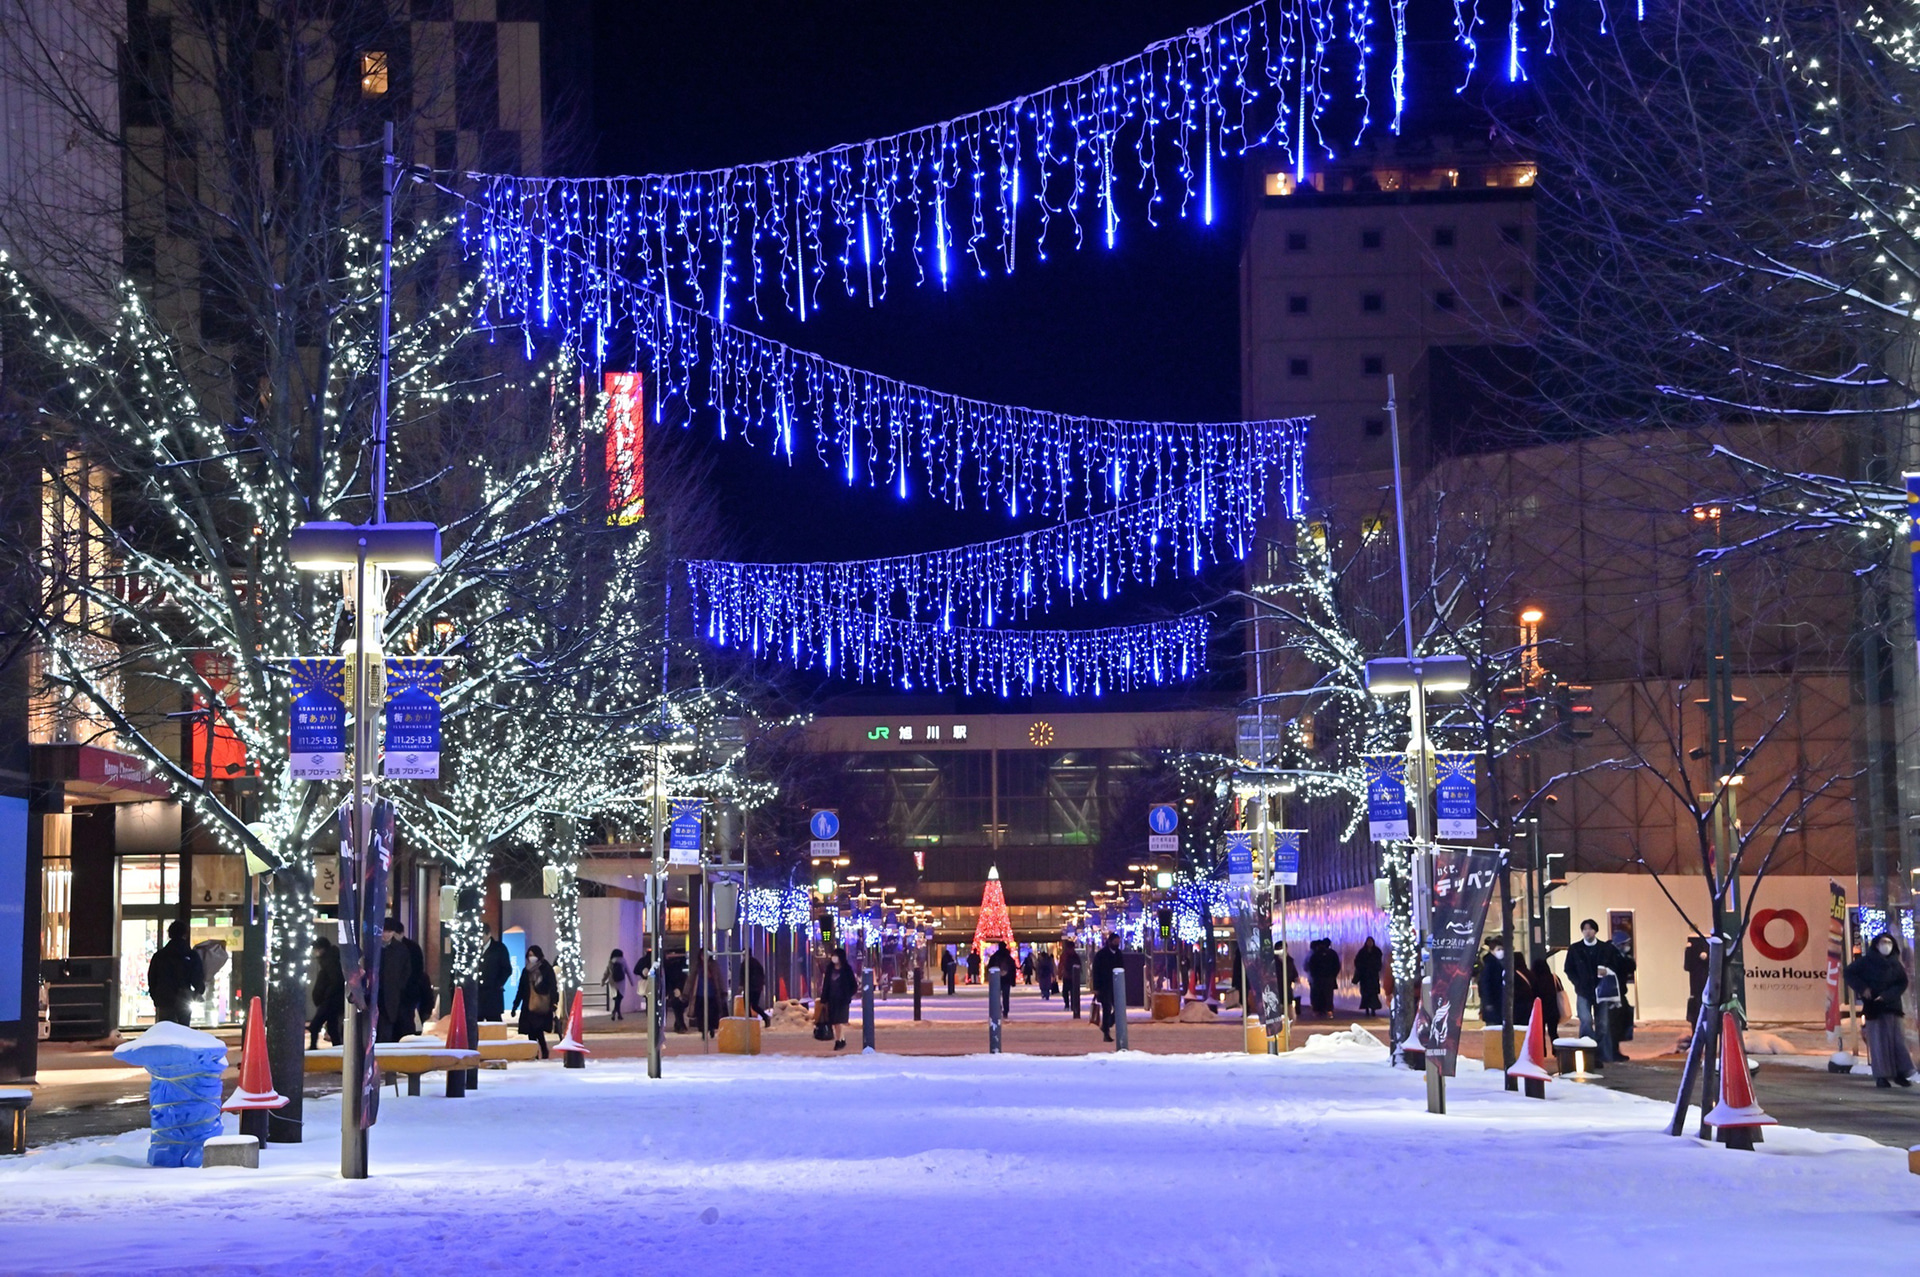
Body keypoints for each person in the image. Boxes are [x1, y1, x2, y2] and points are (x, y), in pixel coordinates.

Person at [1846, 931, 1916, 1088]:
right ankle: (1882, 1075)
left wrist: (1887, 996)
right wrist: (1863, 988)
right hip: (1874, 1007)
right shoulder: (1866, 962)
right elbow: (1849, 973)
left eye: (1889, 943)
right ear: (1876, 945)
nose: (1887, 946)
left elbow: (1902, 983)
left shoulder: (1895, 964)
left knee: (1898, 1041)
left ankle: (1901, 1072)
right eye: (1883, 943)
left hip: (1892, 1006)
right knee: (1879, 1042)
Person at [1560, 918, 1627, 1041]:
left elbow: (1616, 964)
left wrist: (1607, 971)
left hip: (1602, 989)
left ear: (1595, 931)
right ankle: (1587, 1045)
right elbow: (1568, 968)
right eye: (1585, 929)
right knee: (1585, 1019)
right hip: (1583, 990)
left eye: (1590, 929)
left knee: (1602, 1022)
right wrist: (1577, 982)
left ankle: (1600, 1049)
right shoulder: (1575, 949)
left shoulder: (1605, 948)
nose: (1587, 932)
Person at [146, 919, 206, 1027]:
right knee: (183, 1029)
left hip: (164, 997)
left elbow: (152, 978)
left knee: (166, 1028)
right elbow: (197, 976)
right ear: (185, 934)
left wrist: (155, 996)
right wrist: (198, 991)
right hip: (184, 997)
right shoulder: (191, 955)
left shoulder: (160, 955)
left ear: (169, 934)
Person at [376, 916, 421, 1042]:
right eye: (384, 931)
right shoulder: (373, 948)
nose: (386, 935)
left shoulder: (400, 949)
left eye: (389, 932)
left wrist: (399, 986)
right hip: (376, 993)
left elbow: (407, 971)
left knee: (388, 1028)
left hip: (392, 994)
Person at [512, 944, 558, 1058]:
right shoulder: (526, 970)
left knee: (537, 1029)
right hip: (528, 1004)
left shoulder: (546, 968)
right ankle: (535, 1053)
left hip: (542, 1004)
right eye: (529, 955)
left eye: (533, 955)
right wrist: (515, 1005)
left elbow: (552, 986)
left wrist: (553, 1002)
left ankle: (542, 1050)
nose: (531, 957)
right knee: (531, 1030)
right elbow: (521, 989)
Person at [307, 935, 345, 1048]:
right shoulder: (331, 959)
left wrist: (326, 995)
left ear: (322, 949)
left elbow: (335, 980)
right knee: (332, 1026)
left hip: (330, 1001)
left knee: (315, 1025)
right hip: (333, 1000)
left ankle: (313, 1047)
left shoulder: (329, 961)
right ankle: (337, 1048)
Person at [821, 946, 858, 1051]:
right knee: (834, 1021)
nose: (834, 958)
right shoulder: (830, 969)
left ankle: (839, 1040)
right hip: (831, 999)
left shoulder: (846, 970)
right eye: (833, 956)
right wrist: (824, 998)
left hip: (842, 1000)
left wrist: (847, 995)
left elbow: (853, 985)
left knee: (839, 1021)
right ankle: (841, 1039)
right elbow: (826, 984)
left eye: (836, 956)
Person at [1091, 933, 1123, 1042]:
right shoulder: (1101, 955)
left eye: (1118, 942)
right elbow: (1096, 971)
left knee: (1119, 1008)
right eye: (1115, 942)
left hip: (1116, 985)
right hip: (1104, 986)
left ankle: (1107, 1024)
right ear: (1110, 941)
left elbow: (1122, 968)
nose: (1117, 944)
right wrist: (1096, 987)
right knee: (1107, 1008)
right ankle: (1106, 1033)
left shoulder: (1119, 954)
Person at [479, 929, 513, 1022]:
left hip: (493, 994)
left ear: (488, 934)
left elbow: (507, 969)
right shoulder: (474, 949)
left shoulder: (499, 948)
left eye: (481, 936)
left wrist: (498, 983)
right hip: (478, 995)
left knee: (494, 1023)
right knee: (476, 1026)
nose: (479, 939)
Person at [1528, 951, 1563, 1041]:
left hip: (1540, 1010)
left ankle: (1542, 1051)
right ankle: (1556, 1051)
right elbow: (1560, 990)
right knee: (1553, 1033)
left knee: (1540, 1033)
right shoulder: (1554, 977)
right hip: (1553, 1009)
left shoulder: (1533, 979)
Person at [1306, 938, 1341, 1017]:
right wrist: (1333, 975)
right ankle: (1329, 1010)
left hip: (1318, 978)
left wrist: (1314, 975)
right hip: (1329, 978)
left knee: (1317, 994)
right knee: (1328, 994)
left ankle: (1318, 1009)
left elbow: (1311, 966)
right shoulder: (1332, 954)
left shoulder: (1315, 954)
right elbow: (1337, 966)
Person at [1353, 937, 1384, 1017]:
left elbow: (1379, 963)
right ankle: (1367, 1009)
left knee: (1372, 993)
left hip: (1372, 976)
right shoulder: (1363, 952)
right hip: (1365, 977)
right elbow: (1357, 962)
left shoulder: (1376, 952)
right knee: (1366, 993)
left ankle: (1372, 1009)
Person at [663, 947, 690, 1033]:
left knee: (677, 1008)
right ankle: (680, 1025)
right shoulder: (681, 973)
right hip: (677, 992)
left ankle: (679, 1025)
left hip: (674, 992)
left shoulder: (669, 969)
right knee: (678, 1008)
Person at [987, 942, 1018, 1017]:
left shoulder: (994, 957)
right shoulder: (1009, 957)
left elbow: (989, 967)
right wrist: (1013, 981)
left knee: (996, 995)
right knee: (1006, 996)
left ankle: (998, 1008)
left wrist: (990, 979)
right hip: (1007, 979)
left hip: (996, 979)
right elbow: (1013, 969)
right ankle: (1006, 1011)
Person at [602, 948, 631, 1022]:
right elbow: (628, 971)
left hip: (613, 982)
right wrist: (632, 982)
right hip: (621, 981)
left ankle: (617, 1013)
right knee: (619, 998)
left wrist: (603, 981)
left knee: (616, 998)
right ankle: (616, 1013)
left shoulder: (610, 962)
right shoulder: (623, 961)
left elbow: (606, 973)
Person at [1060, 938, 1083, 1019]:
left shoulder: (1074, 956)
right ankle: (1067, 1004)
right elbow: (1061, 965)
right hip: (1067, 976)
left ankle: (1073, 1005)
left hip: (1073, 977)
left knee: (1073, 992)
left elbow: (1079, 965)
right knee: (1066, 992)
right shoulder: (1065, 955)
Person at [747, 953, 772, 1025]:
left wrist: (741, 986)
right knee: (754, 1005)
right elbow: (762, 974)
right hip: (757, 988)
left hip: (750, 988)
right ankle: (765, 1017)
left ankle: (750, 1023)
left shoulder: (745, 964)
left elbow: (743, 975)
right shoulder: (757, 963)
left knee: (747, 1005)